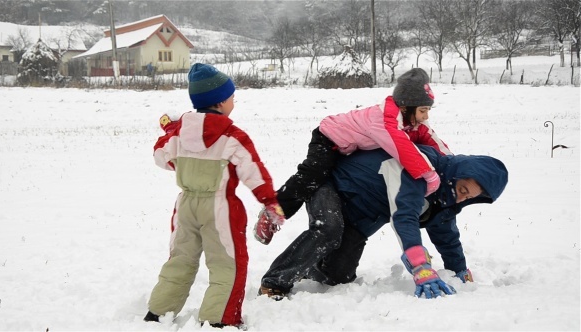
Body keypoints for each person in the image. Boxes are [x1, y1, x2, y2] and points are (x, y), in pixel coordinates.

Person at [257, 145, 508, 300]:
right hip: (332, 185)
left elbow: (446, 234)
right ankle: (274, 283)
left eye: (468, 197)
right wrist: (420, 266)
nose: (460, 197)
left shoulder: (446, 197)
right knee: (329, 230)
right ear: (458, 173)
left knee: (338, 276)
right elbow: (405, 215)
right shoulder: (421, 167)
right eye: (462, 188)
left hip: (360, 216)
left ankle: (307, 265)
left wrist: (459, 270)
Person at [144, 63, 285, 328]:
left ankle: (157, 312)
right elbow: (252, 170)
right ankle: (219, 320)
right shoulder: (233, 136)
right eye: (232, 97)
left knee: (180, 260)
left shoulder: (178, 134)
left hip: (185, 208)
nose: (234, 101)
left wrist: (169, 131)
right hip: (220, 209)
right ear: (220, 102)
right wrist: (269, 200)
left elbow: (162, 158)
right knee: (227, 265)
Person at [254, 68, 452, 245]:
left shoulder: (412, 122)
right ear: (405, 107)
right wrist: (429, 174)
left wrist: (454, 166)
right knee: (313, 175)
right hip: (329, 138)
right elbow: (402, 147)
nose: (426, 116)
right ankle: (272, 213)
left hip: (349, 149)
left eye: (428, 110)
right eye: (423, 110)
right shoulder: (384, 121)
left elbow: (435, 142)